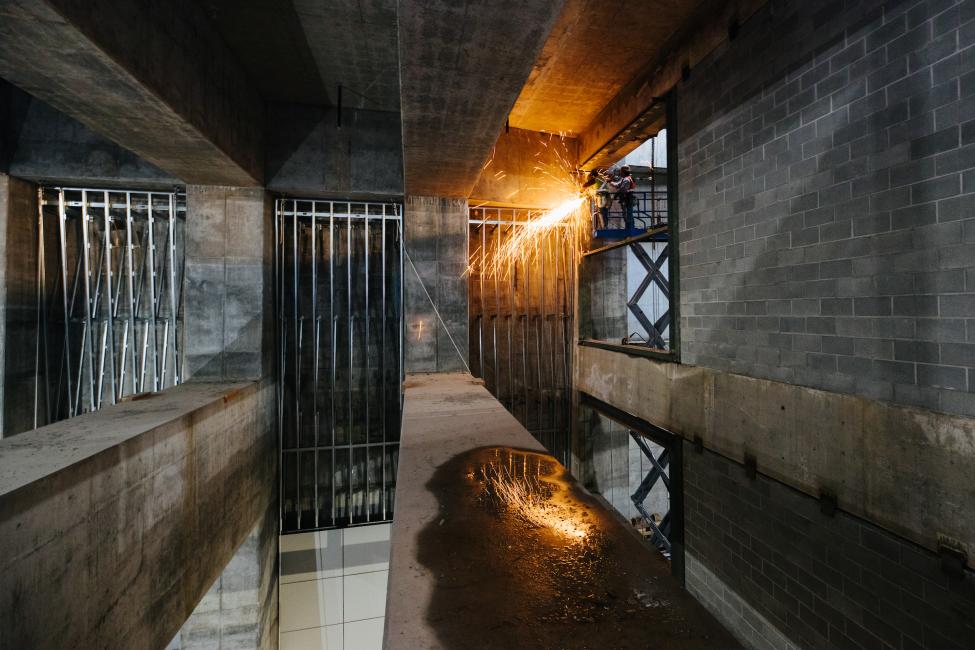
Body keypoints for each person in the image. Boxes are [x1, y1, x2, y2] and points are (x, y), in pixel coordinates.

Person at [609, 165, 636, 231]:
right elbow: (617, 185)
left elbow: (622, 190)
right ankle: (629, 228)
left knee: (628, 215)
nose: (620, 173)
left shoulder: (626, 180)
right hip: (626, 199)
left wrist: (615, 196)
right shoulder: (625, 179)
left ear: (623, 172)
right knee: (627, 214)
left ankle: (630, 229)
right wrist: (610, 182)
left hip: (627, 200)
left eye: (621, 171)